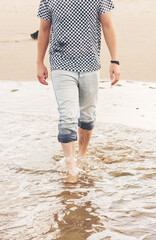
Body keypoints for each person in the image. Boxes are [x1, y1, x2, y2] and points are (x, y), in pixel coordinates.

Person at [36, 0, 120, 184]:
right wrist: (39, 62)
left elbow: (107, 25)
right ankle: (71, 165)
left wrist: (115, 60)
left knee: (88, 115)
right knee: (67, 116)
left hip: (90, 64)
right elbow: (44, 29)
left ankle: (81, 154)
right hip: (61, 64)